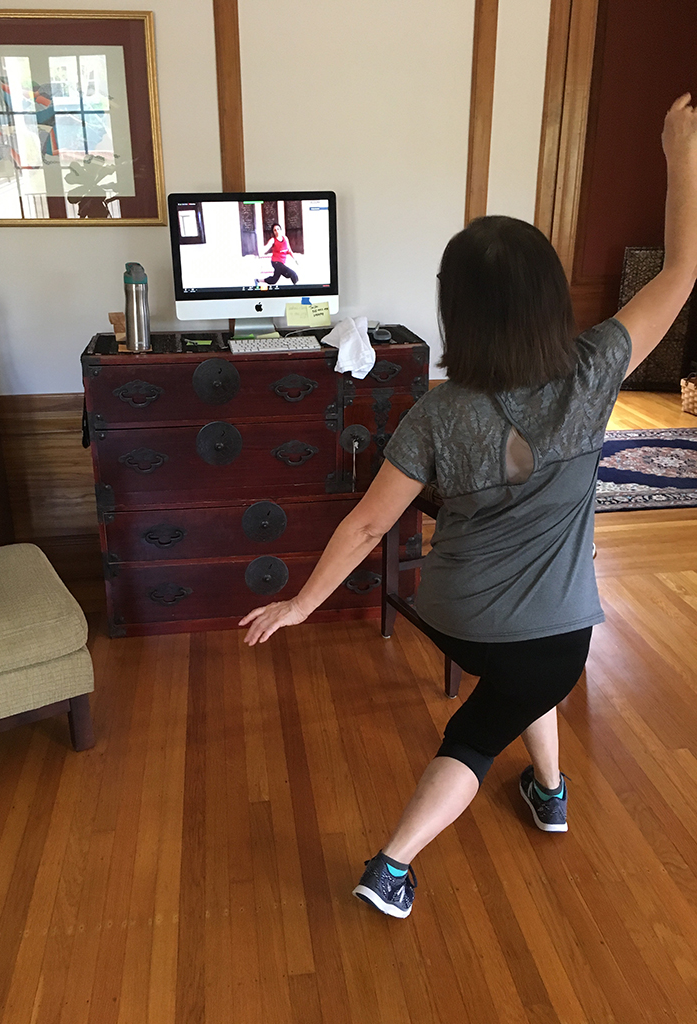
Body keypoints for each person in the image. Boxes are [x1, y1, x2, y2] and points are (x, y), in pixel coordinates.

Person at [240, 94, 697, 919]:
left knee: (521, 679)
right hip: (549, 635)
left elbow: (371, 524)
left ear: (459, 310)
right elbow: (680, 272)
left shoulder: (437, 412)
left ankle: (550, 792)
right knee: (484, 726)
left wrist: (302, 604)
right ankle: (391, 865)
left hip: (452, 615)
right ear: (551, 296)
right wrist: (679, 155)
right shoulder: (595, 372)